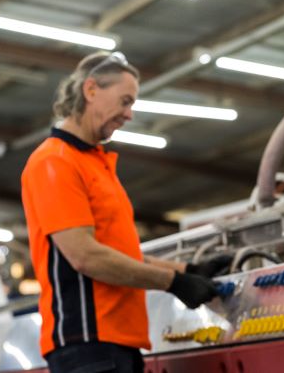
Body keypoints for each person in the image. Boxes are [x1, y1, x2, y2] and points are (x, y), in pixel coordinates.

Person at [21, 51, 231, 373]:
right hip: (86, 344)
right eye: (125, 101)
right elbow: (86, 257)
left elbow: (118, 252)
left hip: (117, 342)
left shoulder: (95, 163)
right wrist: (172, 282)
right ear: (91, 91)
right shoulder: (54, 162)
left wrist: (189, 268)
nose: (129, 114)